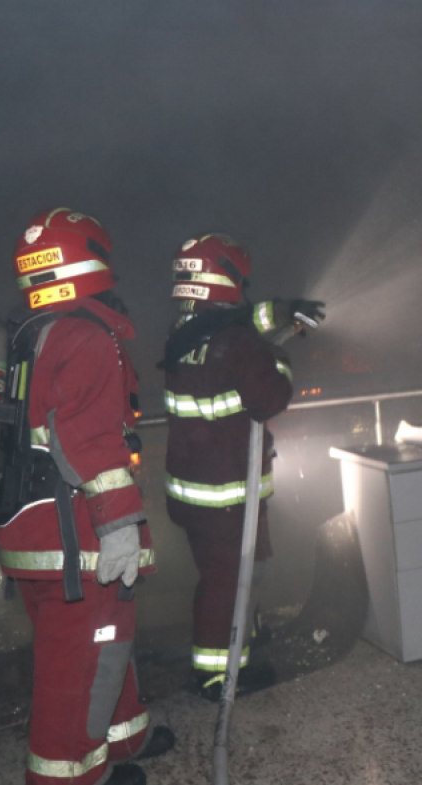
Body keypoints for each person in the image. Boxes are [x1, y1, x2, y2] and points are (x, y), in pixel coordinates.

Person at [0, 208, 173, 785]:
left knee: (102, 649)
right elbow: (88, 442)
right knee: (75, 669)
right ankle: (65, 779)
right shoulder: (87, 336)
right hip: (80, 541)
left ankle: (125, 740)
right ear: (93, 259)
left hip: (32, 534)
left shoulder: (27, 333)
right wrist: (120, 526)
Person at [160, 233, 324, 701]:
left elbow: (241, 317)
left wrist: (287, 309)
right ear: (226, 277)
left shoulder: (185, 331)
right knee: (225, 583)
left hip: (191, 490)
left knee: (225, 575)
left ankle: (241, 637)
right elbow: (270, 398)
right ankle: (219, 674)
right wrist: (283, 360)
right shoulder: (240, 344)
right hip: (227, 492)